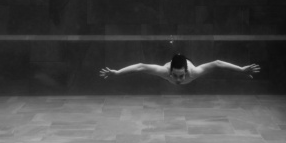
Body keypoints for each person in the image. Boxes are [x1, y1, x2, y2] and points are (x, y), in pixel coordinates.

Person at [99, 54, 260, 85]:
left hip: (187, 61)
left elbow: (217, 63)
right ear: (170, 72)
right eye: (175, 76)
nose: (178, 80)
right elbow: (140, 66)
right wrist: (118, 73)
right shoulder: (164, 71)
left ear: (186, 72)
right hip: (170, 62)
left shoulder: (194, 71)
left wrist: (241, 70)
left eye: (181, 76)